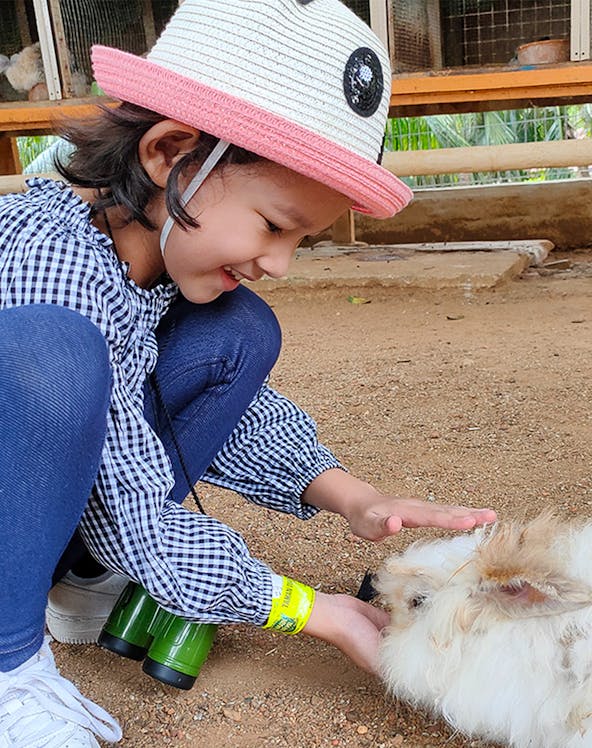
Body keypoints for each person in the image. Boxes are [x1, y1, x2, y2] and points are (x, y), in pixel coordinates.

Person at [0, 0, 497, 745]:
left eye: (301, 239)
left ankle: (75, 581)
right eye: (273, 225)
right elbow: (123, 492)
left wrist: (352, 497)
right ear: (169, 153)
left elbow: (163, 414)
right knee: (55, 357)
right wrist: (311, 610)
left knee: (239, 330)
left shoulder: (148, 260)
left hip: (54, 493)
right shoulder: (53, 261)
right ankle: (9, 669)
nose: (279, 262)